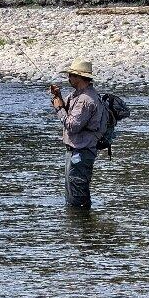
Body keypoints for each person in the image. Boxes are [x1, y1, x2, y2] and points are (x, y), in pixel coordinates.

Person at [49, 59, 106, 210]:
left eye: (71, 75)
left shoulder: (85, 100)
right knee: (72, 193)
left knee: (78, 196)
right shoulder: (77, 95)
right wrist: (57, 96)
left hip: (81, 152)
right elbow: (65, 108)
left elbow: (72, 126)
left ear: (79, 77)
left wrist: (58, 109)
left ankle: (81, 227)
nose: (68, 78)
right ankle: (78, 226)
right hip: (76, 151)